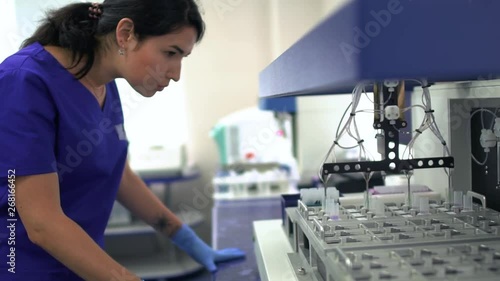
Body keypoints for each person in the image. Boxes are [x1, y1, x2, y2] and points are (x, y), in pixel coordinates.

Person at [0, 1, 245, 280]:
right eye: (170, 53)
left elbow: (120, 175)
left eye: (182, 58)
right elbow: (42, 223)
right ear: (126, 34)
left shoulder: (104, 83)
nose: (176, 73)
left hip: (83, 266)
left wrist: (185, 237)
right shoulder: (23, 81)